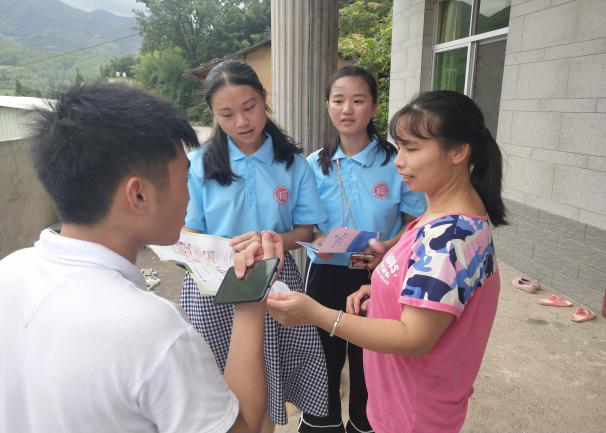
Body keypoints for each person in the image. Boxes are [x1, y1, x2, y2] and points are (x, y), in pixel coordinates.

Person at [0, 82, 282, 433]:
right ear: (139, 195)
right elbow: (243, 427)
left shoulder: (10, 270)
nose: (188, 196)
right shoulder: (153, 331)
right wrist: (251, 299)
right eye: (184, 177)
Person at [267, 90, 506, 433]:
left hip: (412, 414)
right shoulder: (442, 216)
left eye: (412, 148)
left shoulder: (450, 237)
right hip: (402, 402)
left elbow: (413, 337)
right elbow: (433, 288)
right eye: (400, 147)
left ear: (457, 151)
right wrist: (380, 291)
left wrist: (315, 313)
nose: (398, 161)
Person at [180, 60, 329, 432]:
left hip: (272, 279)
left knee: (267, 378)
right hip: (214, 284)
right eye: (227, 114)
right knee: (215, 383)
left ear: (264, 100)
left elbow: (306, 230)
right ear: (213, 115)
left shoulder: (293, 164)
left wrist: (271, 240)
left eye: (249, 108)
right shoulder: (199, 164)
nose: (242, 122)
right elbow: (188, 229)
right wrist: (224, 247)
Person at [301, 66, 426, 433]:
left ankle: (364, 424)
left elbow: (416, 222)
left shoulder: (395, 163)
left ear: (374, 107)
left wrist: (390, 247)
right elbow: (306, 223)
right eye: (338, 100)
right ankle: (320, 424)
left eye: (358, 100)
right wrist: (317, 239)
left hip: (377, 275)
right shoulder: (314, 164)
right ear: (327, 105)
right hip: (324, 273)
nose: (347, 109)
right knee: (322, 356)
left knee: (370, 360)